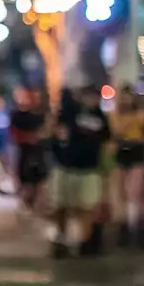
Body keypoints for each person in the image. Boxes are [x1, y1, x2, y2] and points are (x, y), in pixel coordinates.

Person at [49, 86, 111, 257]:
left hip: (90, 167)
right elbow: (55, 132)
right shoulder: (69, 113)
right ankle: (61, 238)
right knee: (62, 205)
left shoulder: (101, 117)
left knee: (87, 206)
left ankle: (85, 241)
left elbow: (107, 140)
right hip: (66, 165)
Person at [111, 85, 144, 246]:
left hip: (137, 152)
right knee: (122, 192)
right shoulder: (116, 115)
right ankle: (125, 227)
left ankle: (137, 228)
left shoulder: (141, 115)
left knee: (135, 191)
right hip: (122, 152)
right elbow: (116, 131)